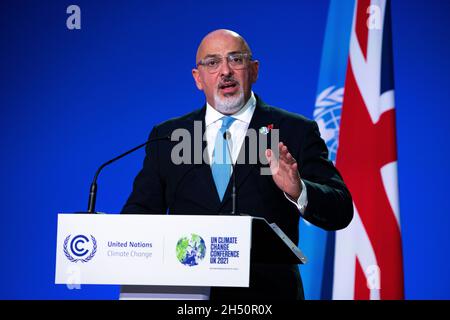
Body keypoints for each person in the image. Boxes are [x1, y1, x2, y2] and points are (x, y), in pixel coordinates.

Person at [121, 29, 353, 300]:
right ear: (198, 78)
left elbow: (340, 208)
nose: (225, 71)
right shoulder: (168, 137)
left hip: (268, 295)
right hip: (186, 293)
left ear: (254, 70)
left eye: (236, 60)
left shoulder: (294, 130)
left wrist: (298, 189)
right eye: (212, 62)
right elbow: (140, 213)